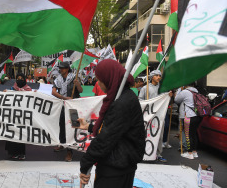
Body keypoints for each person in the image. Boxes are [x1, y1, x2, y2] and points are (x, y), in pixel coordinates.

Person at [77, 59, 145, 188]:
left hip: (115, 170)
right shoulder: (123, 97)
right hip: (121, 163)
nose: (98, 83)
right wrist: (90, 127)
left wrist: (85, 163)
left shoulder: (122, 102)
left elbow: (105, 140)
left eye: (99, 79)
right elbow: (116, 129)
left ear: (108, 79)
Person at [52, 62, 83, 162]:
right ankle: (62, 144)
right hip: (63, 105)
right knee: (61, 125)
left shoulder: (74, 77)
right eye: (60, 68)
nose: (61, 70)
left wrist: (77, 84)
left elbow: (81, 90)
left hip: (73, 106)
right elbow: (53, 92)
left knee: (71, 127)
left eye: (63, 68)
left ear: (67, 69)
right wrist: (64, 97)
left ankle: (70, 151)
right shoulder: (58, 79)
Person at [138, 70, 172, 162]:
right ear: (152, 77)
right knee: (146, 135)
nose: (158, 77)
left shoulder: (163, 89)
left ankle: (158, 154)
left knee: (159, 135)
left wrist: (169, 96)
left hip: (159, 116)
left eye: (159, 75)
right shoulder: (145, 88)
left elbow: (166, 100)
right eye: (156, 75)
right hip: (148, 115)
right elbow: (140, 100)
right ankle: (143, 153)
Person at [4, 73, 32, 160]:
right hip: (13, 114)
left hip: (22, 115)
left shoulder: (28, 89)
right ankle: (14, 153)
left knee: (20, 134)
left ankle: (21, 153)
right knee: (13, 133)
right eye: (18, 78)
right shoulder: (12, 89)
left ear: (25, 79)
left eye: (21, 78)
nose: (20, 80)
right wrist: (5, 92)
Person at [174, 84, 202, 159]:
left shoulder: (185, 92)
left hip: (189, 116)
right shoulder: (196, 92)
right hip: (198, 116)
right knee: (193, 134)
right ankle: (194, 152)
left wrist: (179, 89)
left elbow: (176, 100)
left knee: (188, 135)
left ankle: (189, 153)